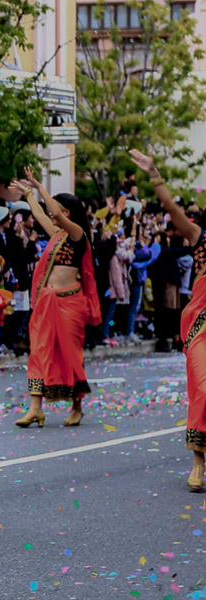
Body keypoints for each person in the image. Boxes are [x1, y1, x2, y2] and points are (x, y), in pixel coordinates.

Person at [129, 149, 205, 491]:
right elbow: (173, 211)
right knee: (203, 388)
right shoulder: (200, 238)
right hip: (203, 322)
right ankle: (199, 462)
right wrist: (155, 174)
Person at [9, 168, 101, 428]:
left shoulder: (77, 235)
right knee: (38, 352)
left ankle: (77, 405)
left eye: (58, 210)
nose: (52, 214)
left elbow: (55, 213)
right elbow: (41, 214)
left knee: (71, 355)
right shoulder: (58, 235)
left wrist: (40, 185)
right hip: (47, 303)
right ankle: (35, 408)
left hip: (70, 304)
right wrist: (29, 195)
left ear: (68, 213)